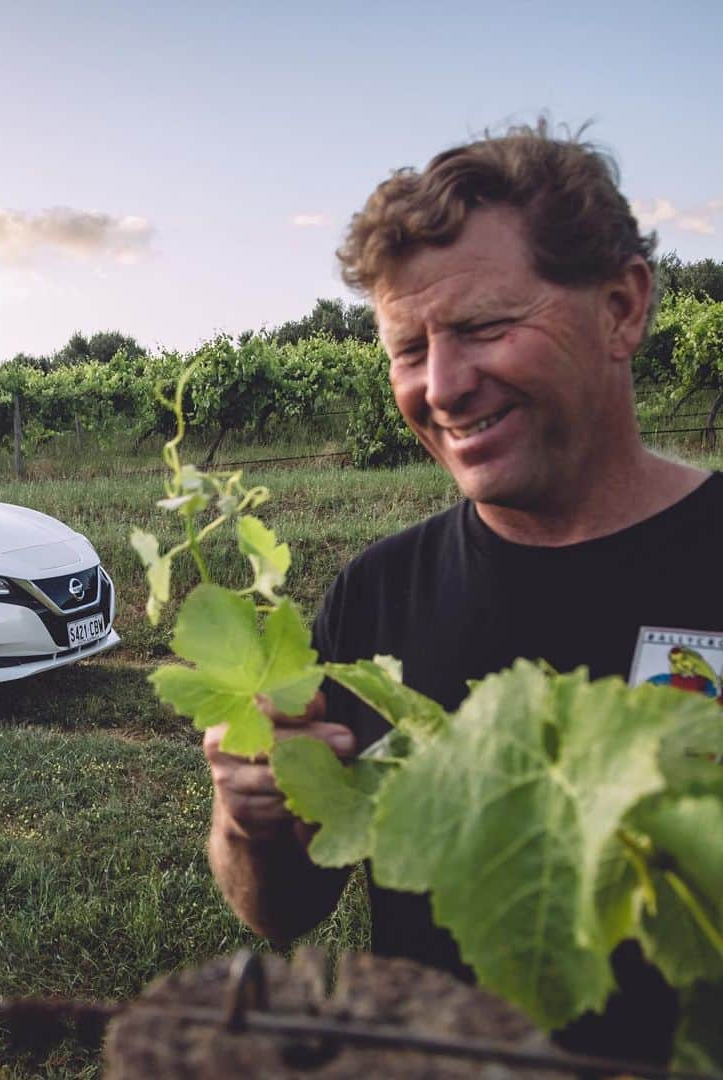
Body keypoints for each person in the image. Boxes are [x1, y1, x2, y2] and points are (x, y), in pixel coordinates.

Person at [203, 120, 723, 1064]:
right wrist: (250, 819)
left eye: (485, 327)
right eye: (409, 350)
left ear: (623, 306)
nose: (442, 387)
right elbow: (279, 912)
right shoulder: (374, 598)